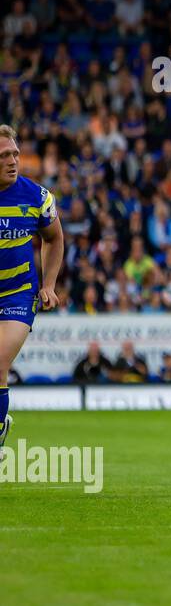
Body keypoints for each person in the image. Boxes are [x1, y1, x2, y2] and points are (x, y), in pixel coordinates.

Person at [0, 124, 62, 453]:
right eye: (4, 155)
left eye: (15, 154)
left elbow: (54, 238)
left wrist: (49, 284)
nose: (12, 161)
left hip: (17, 294)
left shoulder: (36, 197)